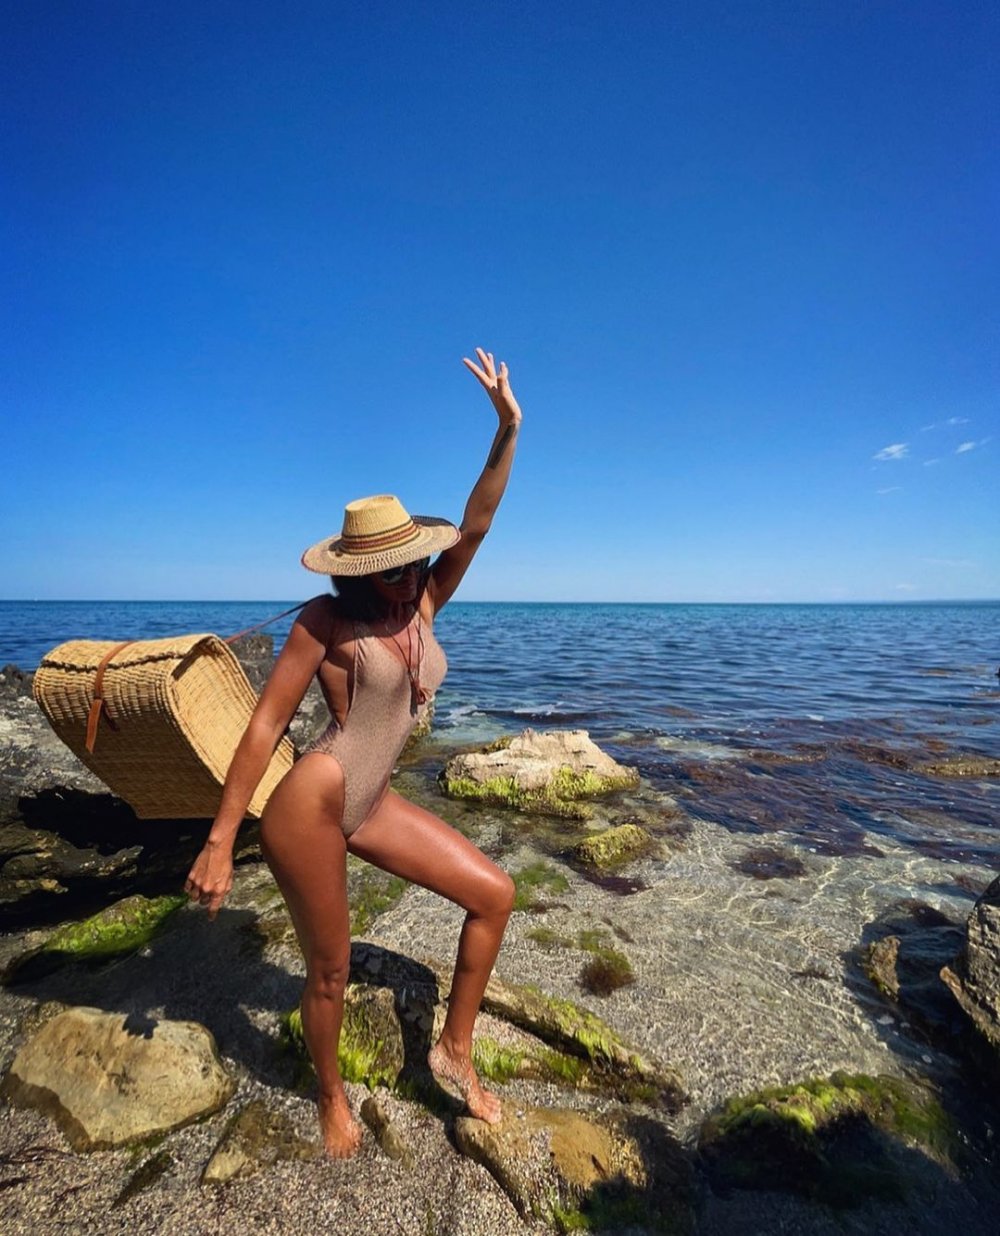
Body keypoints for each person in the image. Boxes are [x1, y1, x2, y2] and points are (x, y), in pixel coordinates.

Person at [184, 349, 521, 1157]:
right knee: (329, 971)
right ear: (362, 570)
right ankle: (330, 1094)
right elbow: (265, 726)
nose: (408, 578)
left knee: (495, 895)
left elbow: (476, 523)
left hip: (369, 802)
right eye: (392, 570)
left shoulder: (426, 603)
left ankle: (453, 1049)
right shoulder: (324, 622)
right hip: (311, 805)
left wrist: (507, 428)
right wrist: (220, 840)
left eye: (414, 564)